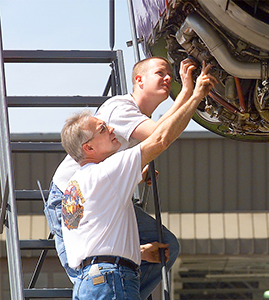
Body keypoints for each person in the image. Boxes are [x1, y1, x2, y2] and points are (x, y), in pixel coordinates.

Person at [44, 56, 200, 299]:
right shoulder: (121, 109)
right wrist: (190, 92)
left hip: (94, 197)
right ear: (138, 79)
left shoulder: (106, 160)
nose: (169, 78)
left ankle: (125, 284)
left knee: (164, 246)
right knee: (88, 267)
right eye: (161, 72)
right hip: (68, 197)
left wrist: (137, 173)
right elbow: (160, 136)